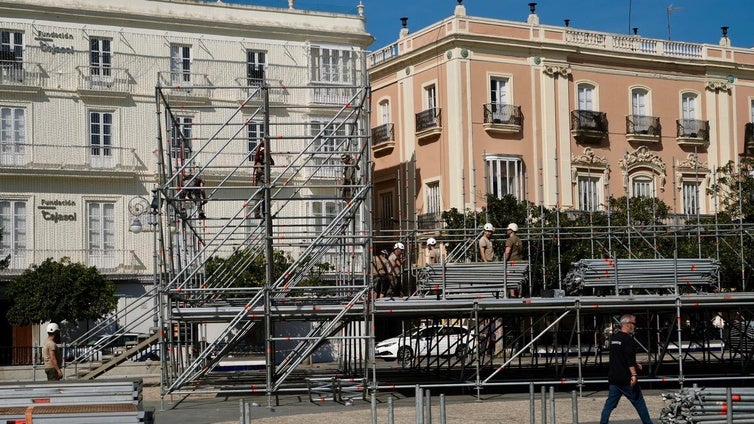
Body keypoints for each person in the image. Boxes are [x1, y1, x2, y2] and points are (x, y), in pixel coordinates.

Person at [599, 314, 654, 424]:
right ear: (628, 324)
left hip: (614, 378)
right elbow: (628, 359)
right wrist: (634, 374)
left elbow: (619, 357)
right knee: (639, 402)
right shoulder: (629, 340)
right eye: (634, 323)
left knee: (609, 405)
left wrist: (635, 364)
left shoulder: (614, 338)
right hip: (626, 379)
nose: (635, 326)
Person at [504, 223, 523, 297]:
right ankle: (519, 294)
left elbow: (507, 251)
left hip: (511, 261)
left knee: (511, 277)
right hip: (519, 261)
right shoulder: (519, 240)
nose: (507, 231)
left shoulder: (510, 240)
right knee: (518, 278)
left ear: (511, 231)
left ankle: (512, 294)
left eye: (508, 229)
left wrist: (504, 261)